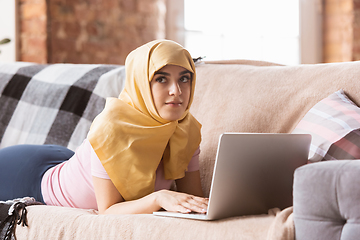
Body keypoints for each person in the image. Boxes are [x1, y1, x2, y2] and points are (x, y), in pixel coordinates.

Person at [0, 39, 208, 215]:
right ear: (141, 84)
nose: (177, 91)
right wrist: (159, 198)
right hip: (28, 177)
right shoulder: (111, 128)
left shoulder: (186, 129)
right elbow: (108, 211)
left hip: (64, 158)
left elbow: (195, 200)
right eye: (162, 79)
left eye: (184, 79)